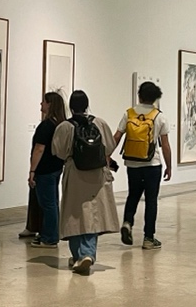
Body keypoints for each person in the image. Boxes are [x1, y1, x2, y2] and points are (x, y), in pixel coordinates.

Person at [52, 90, 119, 275]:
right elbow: (110, 146)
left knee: (74, 214)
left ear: (71, 106)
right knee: (92, 214)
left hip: (75, 173)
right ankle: (87, 253)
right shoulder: (100, 123)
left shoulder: (65, 127)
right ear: (87, 105)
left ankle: (78, 255)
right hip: (97, 174)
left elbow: (59, 151)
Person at [113, 81, 172, 250]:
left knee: (133, 195)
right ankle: (148, 238)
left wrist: (107, 154)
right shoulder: (159, 116)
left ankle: (127, 222)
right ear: (155, 98)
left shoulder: (129, 114)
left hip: (132, 163)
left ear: (139, 96)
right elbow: (165, 145)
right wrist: (169, 166)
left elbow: (117, 137)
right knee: (151, 200)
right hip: (152, 164)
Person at [28, 92, 67, 248]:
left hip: (44, 169)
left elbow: (39, 149)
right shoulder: (60, 124)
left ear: (50, 104)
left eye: (43, 101)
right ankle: (50, 234)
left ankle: (50, 237)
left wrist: (32, 171)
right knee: (52, 203)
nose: (41, 104)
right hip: (56, 167)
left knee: (48, 204)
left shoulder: (46, 125)